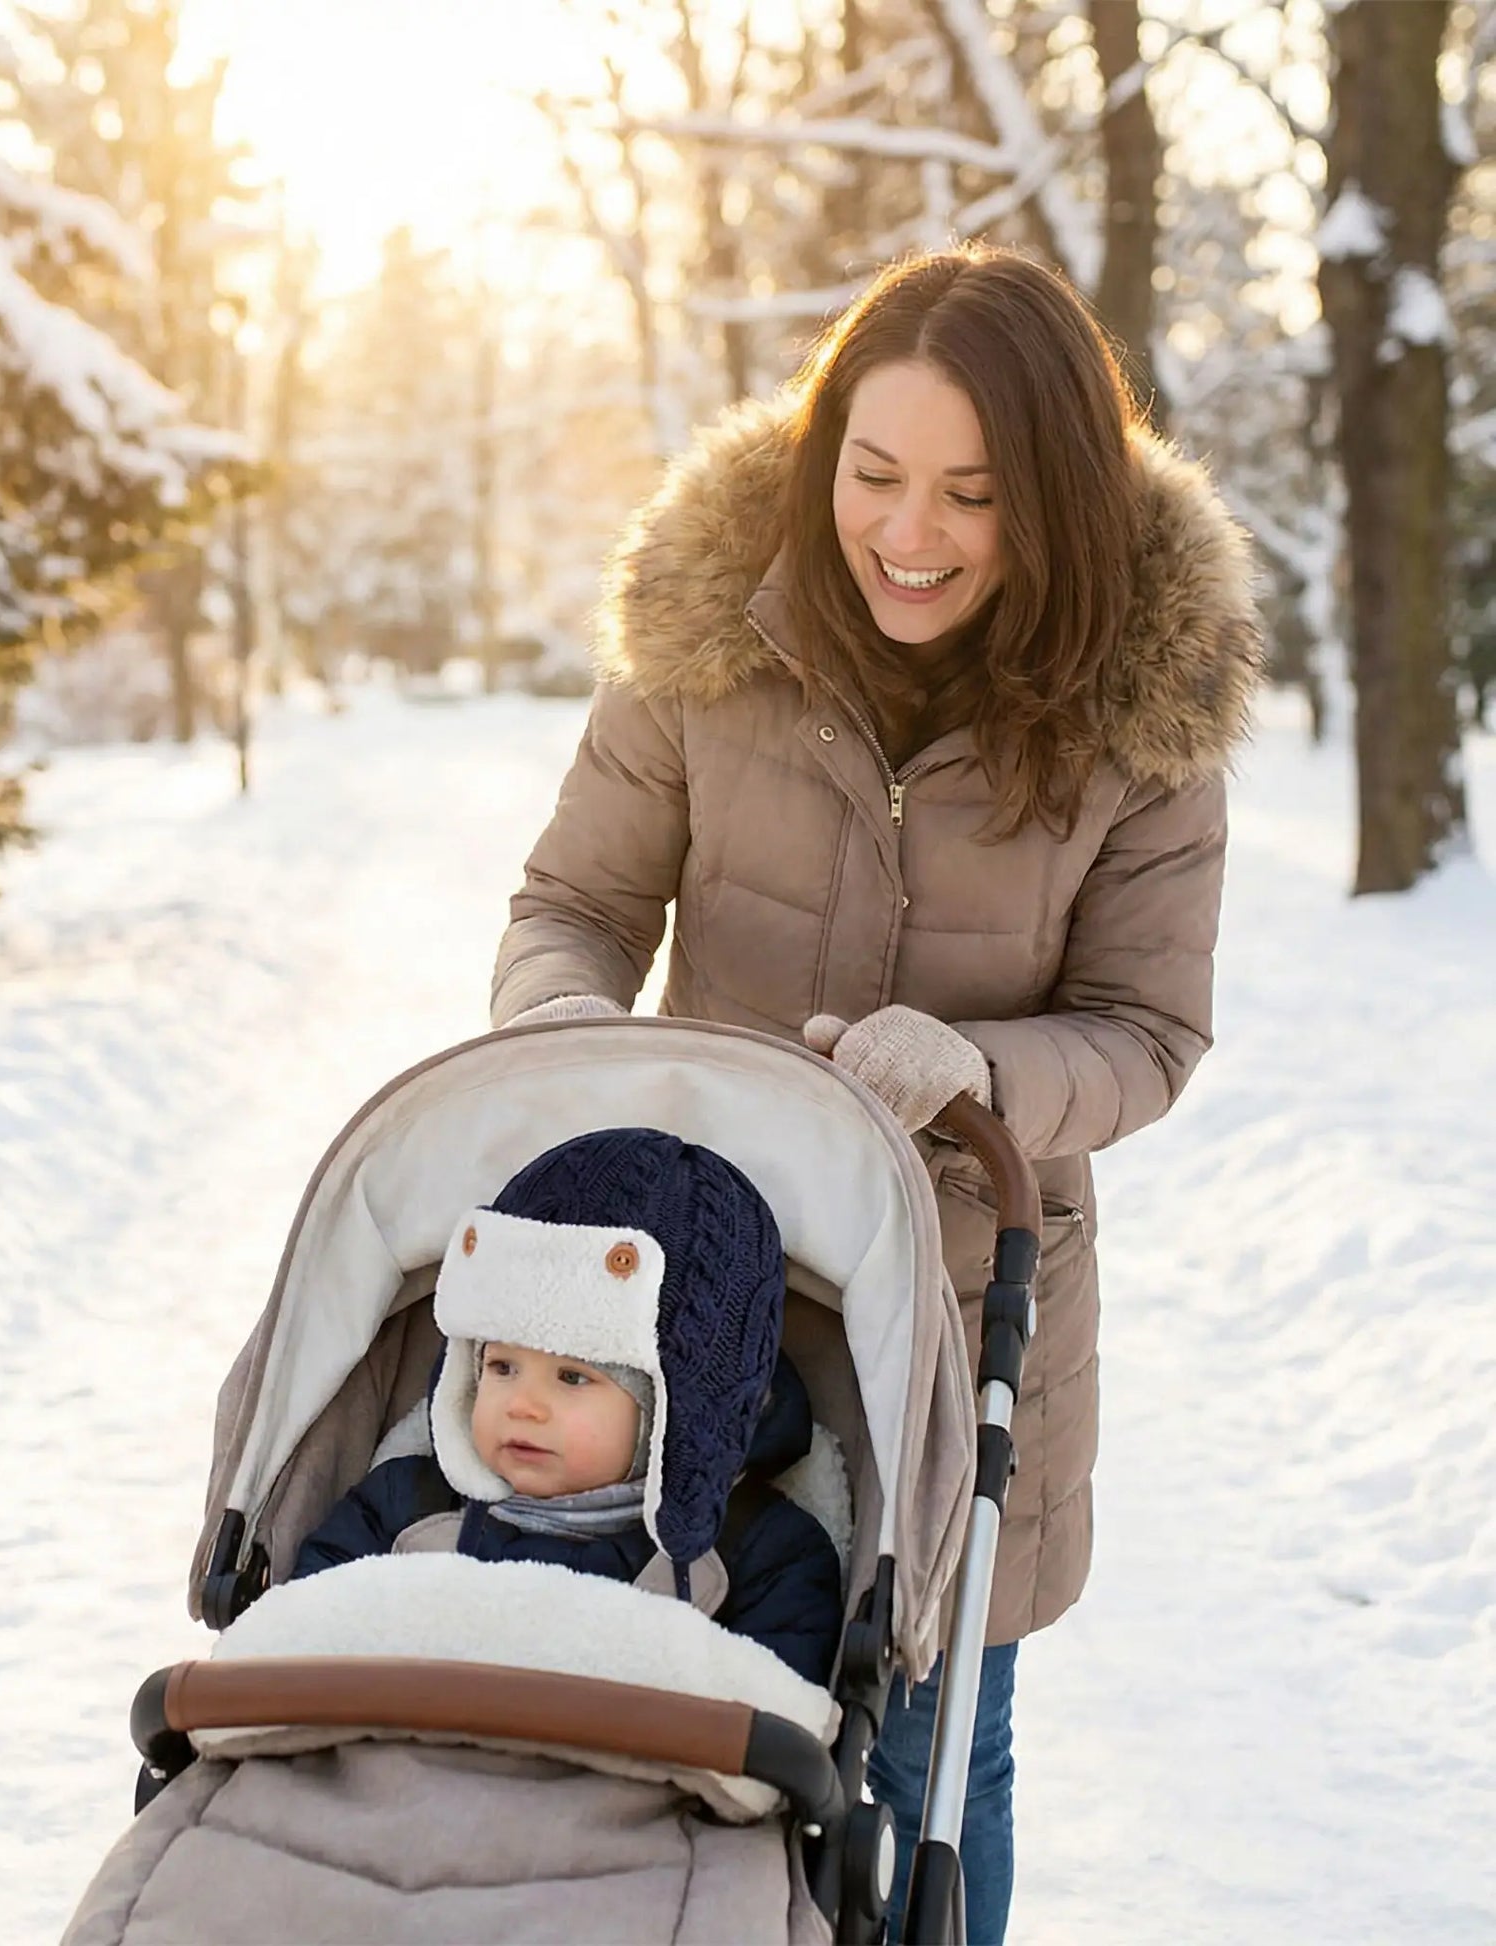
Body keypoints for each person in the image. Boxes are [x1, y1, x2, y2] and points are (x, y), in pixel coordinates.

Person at [489, 245, 1261, 1942]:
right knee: (687, 1720)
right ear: (825, 447)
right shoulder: (713, 637)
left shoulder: (1145, 716)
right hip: (699, 1281)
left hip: (965, 1308)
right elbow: (578, 906)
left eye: (973, 496)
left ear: (1056, 499)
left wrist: (987, 1067)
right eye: (876, 475)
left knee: (929, 1756)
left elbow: (1148, 1028)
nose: (909, 536)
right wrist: (567, 1039)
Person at [293, 1126, 846, 1688]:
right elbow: (295, 1645)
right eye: (501, 1367)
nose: (522, 1405)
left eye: (573, 1377)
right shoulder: (401, 1510)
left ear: (672, 1408)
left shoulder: (758, 1555)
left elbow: (776, 1721)